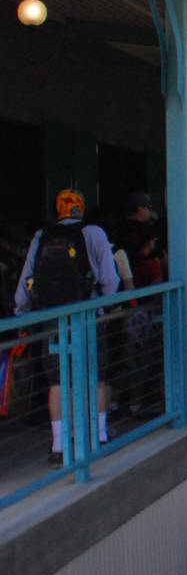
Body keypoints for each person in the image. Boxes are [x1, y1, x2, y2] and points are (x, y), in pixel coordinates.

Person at [14, 188, 119, 465]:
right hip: (87, 315)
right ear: (80, 208)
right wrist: (104, 305)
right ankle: (99, 435)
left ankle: (60, 445)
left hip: (52, 318)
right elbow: (110, 280)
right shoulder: (94, 233)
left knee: (58, 382)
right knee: (94, 377)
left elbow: (26, 282)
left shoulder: (42, 236)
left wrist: (21, 312)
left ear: (56, 210)